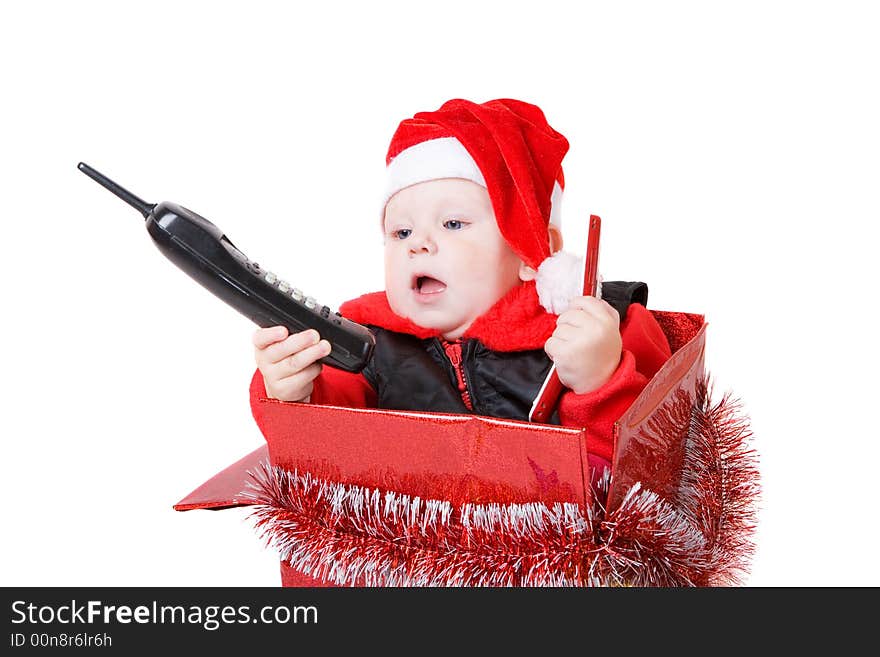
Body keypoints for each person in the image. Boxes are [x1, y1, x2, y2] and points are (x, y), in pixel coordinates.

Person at [250, 98, 672, 468]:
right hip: (410, 549)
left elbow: (653, 466)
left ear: (531, 252)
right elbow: (321, 454)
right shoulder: (366, 346)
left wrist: (602, 380)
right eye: (400, 233)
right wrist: (292, 394)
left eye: (453, 223)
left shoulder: (605, 329)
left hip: (547, 550)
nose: (419, 244)